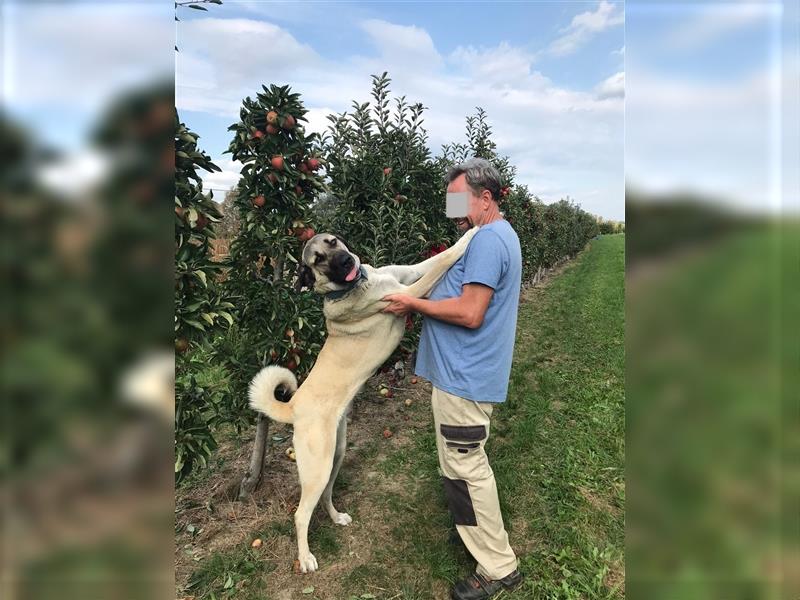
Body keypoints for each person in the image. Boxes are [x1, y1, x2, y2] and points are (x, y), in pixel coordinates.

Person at [382, 158, 523, 600]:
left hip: (466, 376)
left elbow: (470, 311)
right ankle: (482, 543)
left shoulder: (487, 241)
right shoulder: (497, 234)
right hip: (467, 373)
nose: (456, 209)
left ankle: (499, 567)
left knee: (466, 469)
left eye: (461, 199)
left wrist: (412, 304)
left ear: (486, 197)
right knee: (462, 464)